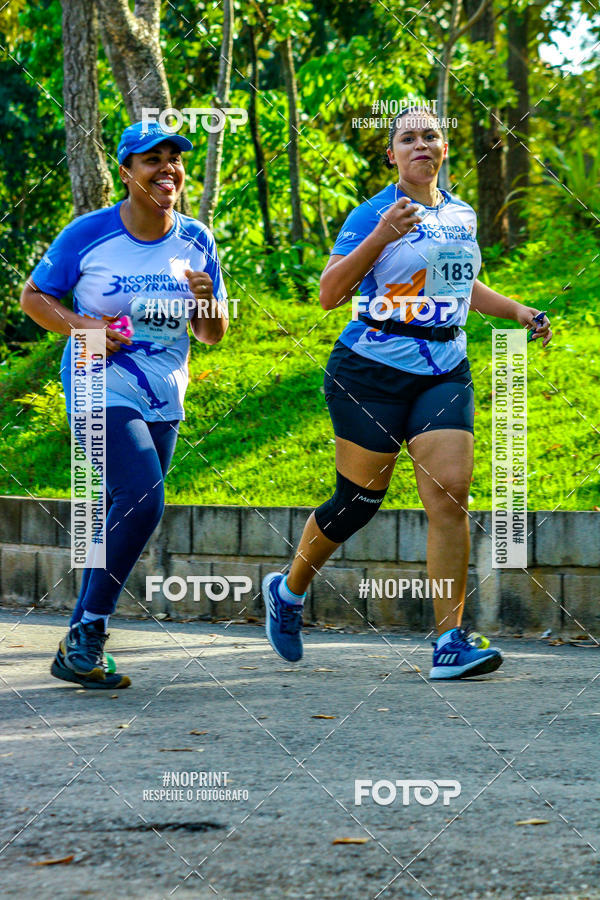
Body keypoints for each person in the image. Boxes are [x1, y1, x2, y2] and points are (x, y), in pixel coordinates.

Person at [263, 106, 552, 679]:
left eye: (430, 135)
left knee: (450, 494)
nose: (420, 144)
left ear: (443, 149)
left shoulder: (461, 215)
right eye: (407, 138)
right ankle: (290, 589)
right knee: (358, 502)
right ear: (391, 155)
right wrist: (381, 236)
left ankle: (450, 642)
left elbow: (459, 285)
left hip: (444, 366)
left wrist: (517, 311)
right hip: (368, 369)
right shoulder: (372, 213)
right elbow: (329, 293)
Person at [20, 121, 228, 689]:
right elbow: (34, 297)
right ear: (126, 172)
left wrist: (207, 302)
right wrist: (83, 325)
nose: (167, 169)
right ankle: (90, 630)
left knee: (124, 508)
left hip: (164, 389)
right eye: (151, 160)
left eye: (174, 159)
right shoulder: (89, 234)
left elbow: (212, 335)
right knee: (145, 497)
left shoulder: (197, 239)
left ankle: (78, 642)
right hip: (95, 373)